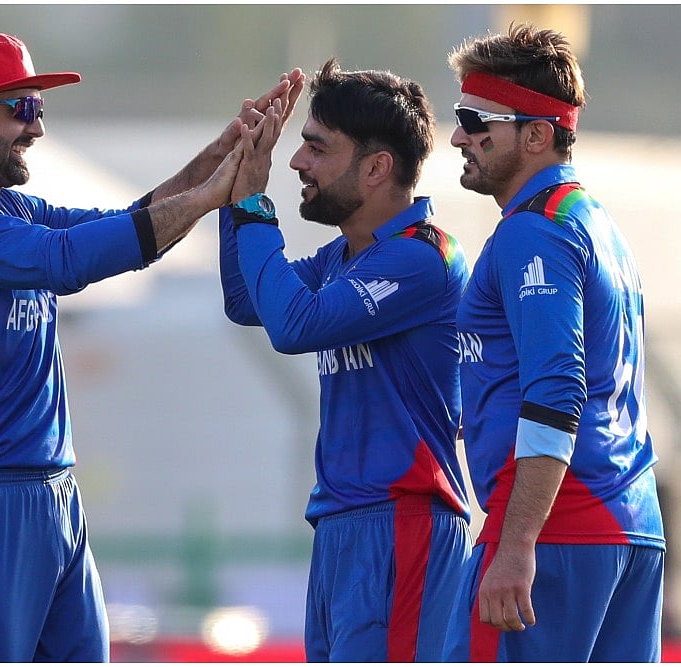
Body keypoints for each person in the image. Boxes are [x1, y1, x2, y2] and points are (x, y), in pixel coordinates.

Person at [0, 32, 299, 662]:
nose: (36, 127)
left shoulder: (12, 209)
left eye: (39, 109)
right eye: (20, 108)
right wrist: (210, 197)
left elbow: (126, 223)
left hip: (53, 494)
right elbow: (66, 259)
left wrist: (218, 159)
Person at [219, 58, 472, 662]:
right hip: (342, 524)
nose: (297, 163)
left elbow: (294, 325)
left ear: (377, 168)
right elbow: (245, 301)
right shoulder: (342, 257)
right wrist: (235, 190)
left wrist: (254, 205)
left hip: (403, 521)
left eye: (317, 148)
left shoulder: (421, 257)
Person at [441, 23, 666, 662]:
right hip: (630, 526)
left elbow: (557, 389)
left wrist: (516, 545)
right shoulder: (596, 223)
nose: (458, 137)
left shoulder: (534, 232)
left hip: (556, 532)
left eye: (475, 120)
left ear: (537, 134)